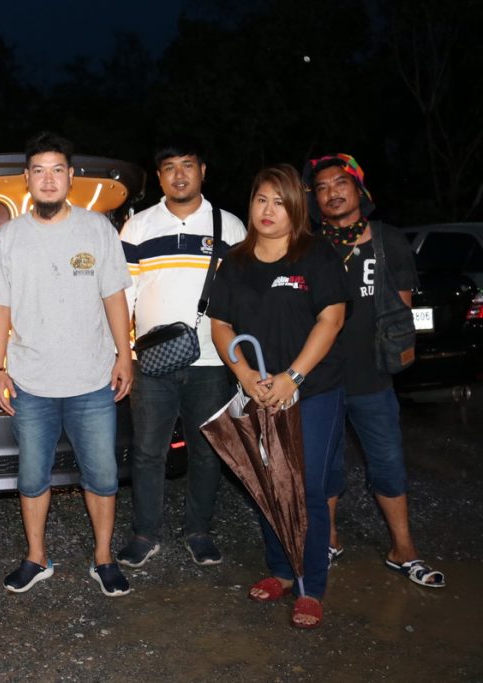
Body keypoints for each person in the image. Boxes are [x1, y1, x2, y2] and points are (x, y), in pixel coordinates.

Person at [0, 131, 134, 597]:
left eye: (57, 170)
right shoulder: (8, 238)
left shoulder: (97, 229)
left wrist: (124, 355)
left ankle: (103, 558)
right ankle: (35, 558)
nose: (49, 179)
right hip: (31, 382)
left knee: (102, 476)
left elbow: (114, 297)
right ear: (26, 178)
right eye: (39, 171)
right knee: (32, 477)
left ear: (71, 176)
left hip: (92, 379)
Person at [207, 164, 348, 629]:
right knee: (268, 483)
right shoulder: (236, 262)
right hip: (258, 389)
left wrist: (293, 377)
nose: (269, 210)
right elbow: (221, 323)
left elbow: (331, 319)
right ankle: (282, 572)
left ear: (296, 208)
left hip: (313, 390)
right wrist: (246, 375)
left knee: (306, 487)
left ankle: (312, 586)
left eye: (280, 202)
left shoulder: (317, 255)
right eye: (261, 199)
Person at [304, 153, 445, 588]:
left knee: (388, 463)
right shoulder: (309, 246)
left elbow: (401, 312)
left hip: (372, 379)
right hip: (322, 378)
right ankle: (328, 541)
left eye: (340, 183)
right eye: (322, 188)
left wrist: (397, 352)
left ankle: (404, 549)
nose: (331, 193)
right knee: (323, 467)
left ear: (358, 189)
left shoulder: (388, 240)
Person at [117, 138, 247, 568]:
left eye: (187, 165)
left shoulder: (230, 226)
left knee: (207, 450)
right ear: (159, 177)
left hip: (212, 360)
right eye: (169, 167)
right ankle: (145, 533)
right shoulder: (137, 227)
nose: (179, 175)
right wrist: (123, 355)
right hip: (151, 362)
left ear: (202, 171)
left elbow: (244, 295)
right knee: (147, 451)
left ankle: (199, 531)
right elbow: (124, 296)